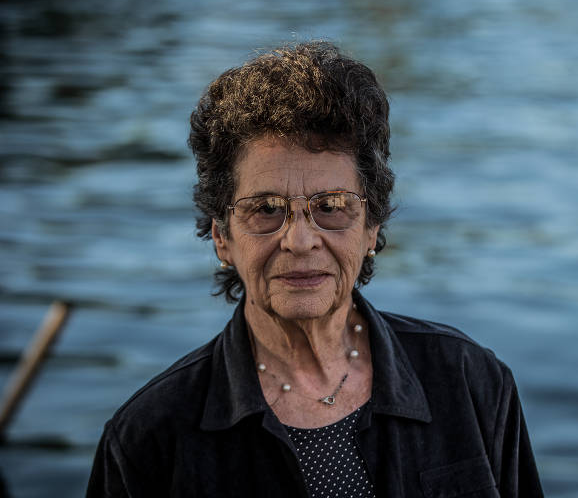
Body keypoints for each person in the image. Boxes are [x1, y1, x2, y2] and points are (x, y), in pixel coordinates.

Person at [87, 41, 543, 497]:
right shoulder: (148, 439)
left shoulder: (471, 382)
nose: (300, 240)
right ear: (222, 236)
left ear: (370, 229)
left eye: (330, 206)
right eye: (265, 209)